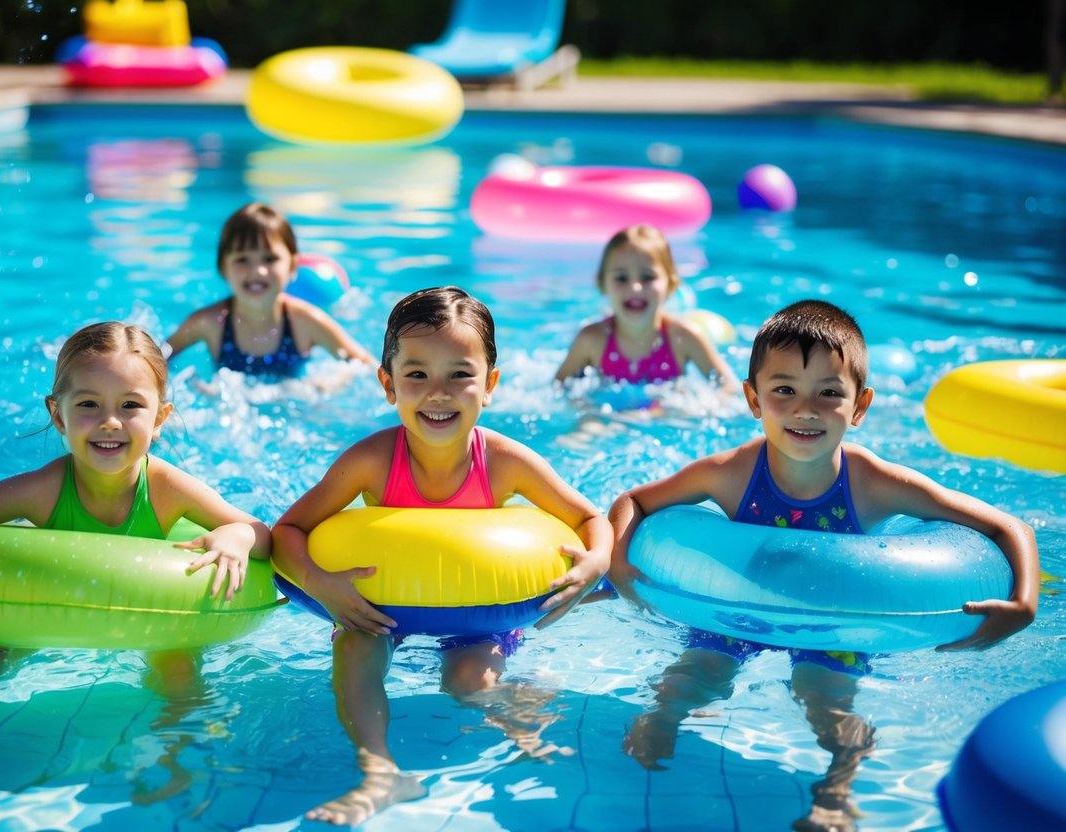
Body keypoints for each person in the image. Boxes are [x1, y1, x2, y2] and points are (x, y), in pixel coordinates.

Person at [606, 299, 1039, 832]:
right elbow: (635, 502)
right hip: (738, 607)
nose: (804, 410)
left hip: (834, 622)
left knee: (824, 699)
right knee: (691, 676)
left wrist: (1023, 602)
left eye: (829, 393)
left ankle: (838, 787)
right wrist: (621, 566)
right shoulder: (733, 473)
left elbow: (1009, 526)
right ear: (752, 399)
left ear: (860, 406)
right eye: (783, 390)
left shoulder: (873, 483)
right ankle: (664, 722)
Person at [0, 321, 271, 811]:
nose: (110, 422)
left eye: (131, 406)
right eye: (88, 404)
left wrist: (232, 536)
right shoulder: (42, 489)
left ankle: (177, 779)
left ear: (160, 417)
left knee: (178, 668)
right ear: (58, 415)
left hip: (156, 612)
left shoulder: (167, 487)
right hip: (45, 600)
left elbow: (260, 533)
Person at [272, 286, 612, 826]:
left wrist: (595, 565)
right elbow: (287, 531)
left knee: (466, 684)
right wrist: (321, 581)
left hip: (480, 616)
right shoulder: (370, 461)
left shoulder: (504, 461)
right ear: (388, 385)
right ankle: (379, 772)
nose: (438, 393)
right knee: (355, 655)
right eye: (417, 375)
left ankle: (521, 706)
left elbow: (591, 519)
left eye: (459, 374)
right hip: (378, 609)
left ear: (490, 384)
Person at [165, 202, 373, 378]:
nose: (257, 270)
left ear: (292, 266)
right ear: (223, 268)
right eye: (242, 260)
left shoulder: (306, 321)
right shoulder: (209, 322)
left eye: (270, 259)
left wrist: (334, 382)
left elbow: (364, 364)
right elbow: (156, 359)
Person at [555, 224, 736, 392]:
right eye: (621, 278)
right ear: (602, 284)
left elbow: (729, 387)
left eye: (647, 277)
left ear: (671, 284)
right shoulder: (592, 340)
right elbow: (558, 389)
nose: (635, 287)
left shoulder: (683, 337)